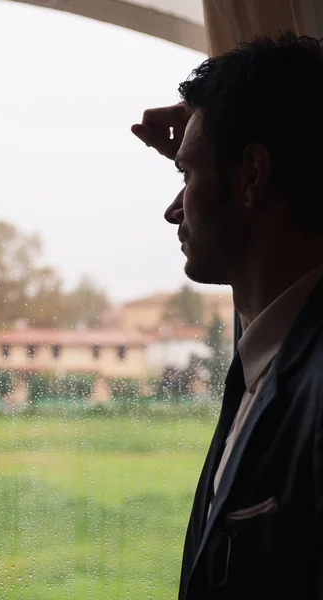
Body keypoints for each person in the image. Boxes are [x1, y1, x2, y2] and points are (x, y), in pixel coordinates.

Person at [132, 32, 323, 599]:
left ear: (253, 177)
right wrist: (220, 128)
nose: (172, 210)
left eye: (185, 176)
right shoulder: (271, 354)